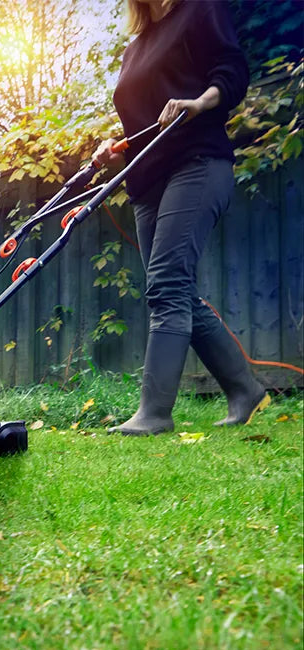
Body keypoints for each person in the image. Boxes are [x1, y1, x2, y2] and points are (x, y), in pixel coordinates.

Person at [92, 0, 270, 436]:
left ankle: (154, 413)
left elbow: (231, 71)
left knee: (168, 285)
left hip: (198, 162)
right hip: (146, 183)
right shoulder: (135, 47)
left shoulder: (199, 10)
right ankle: (246, 391)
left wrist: (198, 102)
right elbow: (144, 121)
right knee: (176, 293)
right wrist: (115, 145)